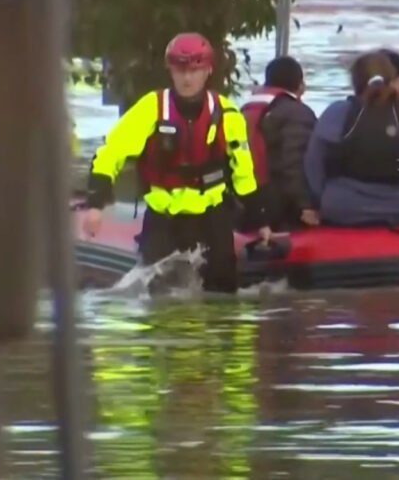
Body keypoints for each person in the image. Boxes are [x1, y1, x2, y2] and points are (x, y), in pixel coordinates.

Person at [80, 32, 271, 293]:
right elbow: (111, 154)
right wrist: (96, 205)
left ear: (208, 71)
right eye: (180, 70)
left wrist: (261, 221)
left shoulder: (228, 115)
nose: (187, 78)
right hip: (163, 219)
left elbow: (244, 174)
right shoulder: (150, 109)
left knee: (223, 295)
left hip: (212, 218)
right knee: (156, 296)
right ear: (170, 71)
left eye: (194, 70)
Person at [303, 51, 399, 227]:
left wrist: (319, 202)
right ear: (392, 80)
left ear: (355, 82)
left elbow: (313, 164)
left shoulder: (337, 113)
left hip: (341, 208)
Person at [239, 56, 319, 230]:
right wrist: (304, 206)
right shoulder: (298, 113)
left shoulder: (245, 109)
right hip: (277, 207)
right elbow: (294, 164)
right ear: (300, 85)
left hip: (244, 202)